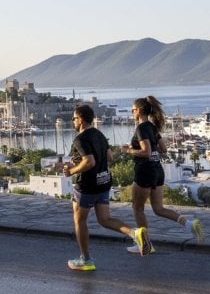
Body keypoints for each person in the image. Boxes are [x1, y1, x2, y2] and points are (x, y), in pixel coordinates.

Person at [60, 104, 146, 271]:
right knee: (105, 219)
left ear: (81, 119)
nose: (72, 122)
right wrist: (75, 163)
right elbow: (108, 157)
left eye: (74, 119)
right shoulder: (99, 134)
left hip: (87, 186)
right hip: (104, 181)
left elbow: (89, 161)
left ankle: (86, 260)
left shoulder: (80, 138)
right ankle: (135, 233)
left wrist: (71, 171)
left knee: (79, 221)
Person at [125, 95, 204, 255]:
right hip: (157, 170)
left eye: (132, 110)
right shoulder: (152, 127)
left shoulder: (141, 128)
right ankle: (189, 224)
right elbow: (163, 149)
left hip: (145, 171)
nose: (131, 112)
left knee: (137, 208)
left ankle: (146, 244)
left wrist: (128, 150)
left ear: (139, 111)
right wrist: (150, 149)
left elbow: (146, 152)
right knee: (158, 208)